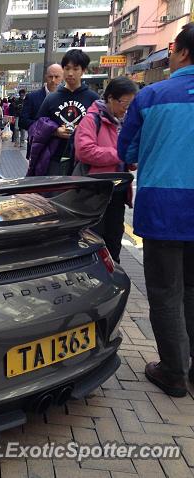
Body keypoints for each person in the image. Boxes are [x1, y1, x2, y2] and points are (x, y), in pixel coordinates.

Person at [118, 23, 194, 398]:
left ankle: (174, 371)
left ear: (179, 52)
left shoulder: (152, 96)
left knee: (166, 291)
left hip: (164, 209)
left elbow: (126, 152)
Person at [74, 76, 138, 262]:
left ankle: (113, 278)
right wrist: (120, 154)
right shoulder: (92, 120)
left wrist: (131, 159)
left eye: (131, 104)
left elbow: (126, 154)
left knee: (114, 240)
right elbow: (85, 151)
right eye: (124, 103)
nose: (126, 109)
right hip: (96, 192)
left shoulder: (124, 123)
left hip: (118, 192)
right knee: (94, 240)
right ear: (110, 98)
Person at [28, 49, 99, 176]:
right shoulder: (51, 98)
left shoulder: (93, 98)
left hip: (82, 159)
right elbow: (37, 126)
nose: (70, 73)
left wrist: (81, 131)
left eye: (76, 69)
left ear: (83, 71)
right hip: (54, 157)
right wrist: (55, 131)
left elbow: (100, 128)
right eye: (67, 68)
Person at [20, 63, 63, 158]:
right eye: (50, 76)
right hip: (37, 149)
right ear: (45, 77)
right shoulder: (32, 97)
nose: (53, 80)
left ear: (62, 77)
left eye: (57, 77)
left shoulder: (68, 98)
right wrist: (45, 128)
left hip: (61, 150)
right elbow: (23, 121)